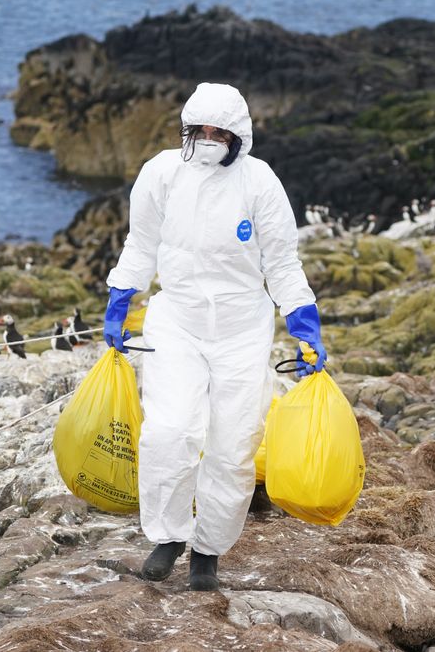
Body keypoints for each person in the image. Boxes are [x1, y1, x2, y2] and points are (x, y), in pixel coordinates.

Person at [102, 82, 325, 591]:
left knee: (232, 446)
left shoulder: (260, 182)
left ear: (237, 135)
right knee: (169, 432)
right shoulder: (161, 173)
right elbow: (140, 243)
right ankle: (168, 536)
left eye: (217, 131)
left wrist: (304, 327)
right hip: (176, 319)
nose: (206, 138)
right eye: (197, 129)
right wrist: (119, 302)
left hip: (242, 327)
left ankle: (207, 551)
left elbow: (283, 263)